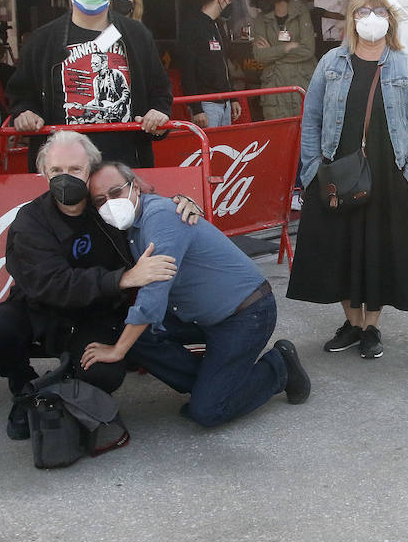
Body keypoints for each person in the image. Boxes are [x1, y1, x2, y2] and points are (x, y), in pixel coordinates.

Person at [0, 130, 205, 439]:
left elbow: (149, 205)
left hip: (95, 314)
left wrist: (184, 204)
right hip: (40, 310)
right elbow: (53, 283)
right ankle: (24, 387)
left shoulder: (108, 207)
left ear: (91, 171)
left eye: (75, 169)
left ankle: (53, 390)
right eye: (56, 170)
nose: (65, 177)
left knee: (105, 372)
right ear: (43, 172)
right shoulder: (30, 220)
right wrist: (122, 279)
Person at [83, 162, 310, 427]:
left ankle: (278, 367)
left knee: (207, 412)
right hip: (200, 316)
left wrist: (117, 350)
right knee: (139, 337)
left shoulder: (160, 216)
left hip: (246, 314)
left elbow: (154, 292)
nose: (110, 204)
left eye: (115, 192)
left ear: (135, 185)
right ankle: (212, 386)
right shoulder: (133, 225)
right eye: (100, 200)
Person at [287, 0, 408, 359]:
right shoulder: (330, 63)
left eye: (379, 10)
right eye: (363, 11)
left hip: (388, 175)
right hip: (338, 172)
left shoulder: (406, 67)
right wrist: (312, 172)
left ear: (390, 19)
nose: (371, 17)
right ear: (352, 19)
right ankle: (352, 323)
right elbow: (312, 120)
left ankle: (372, 328)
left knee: (379, 249)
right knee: (340, 247)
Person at [6, 0, 172, 169]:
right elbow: (20, 93)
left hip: (125, 164)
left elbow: (160, 93)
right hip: (64, 167)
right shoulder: (43, 40)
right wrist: (24, 113)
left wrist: (158, 116)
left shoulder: (137, 36)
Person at [176, 0, 243, 128]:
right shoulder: (192, 26)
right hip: (207, 106)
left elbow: (224, 65)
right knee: (208, 150)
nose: (230, 4)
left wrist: (232, 97)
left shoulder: (218, 26)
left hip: (225, 102)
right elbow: (187, 70)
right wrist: (196, 108)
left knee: (223, 150)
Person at [251, 0, 317, 120]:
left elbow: (308, 50)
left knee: (307, 134)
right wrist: (286, 48)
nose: (259, 0)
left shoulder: (301, 11)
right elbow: (260, 56)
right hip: (275, 89)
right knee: (278, 135)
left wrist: (273, 53)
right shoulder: (261, 19)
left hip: (302, 84)